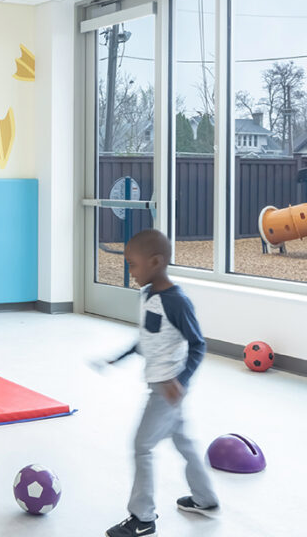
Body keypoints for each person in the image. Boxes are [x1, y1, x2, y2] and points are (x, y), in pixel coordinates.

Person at [103, 229, 219, 537]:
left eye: (133, 264)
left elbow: (198, 345)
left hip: (167, 389)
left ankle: (142, 518)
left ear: (155, 262)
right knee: (183, 441)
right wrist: (122, 356)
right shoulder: (149, 295)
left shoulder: (177, 302)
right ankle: (205, 499)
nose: (130, 271)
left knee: (141, 446)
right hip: (162, 386)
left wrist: (180, 381)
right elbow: (148, 338)